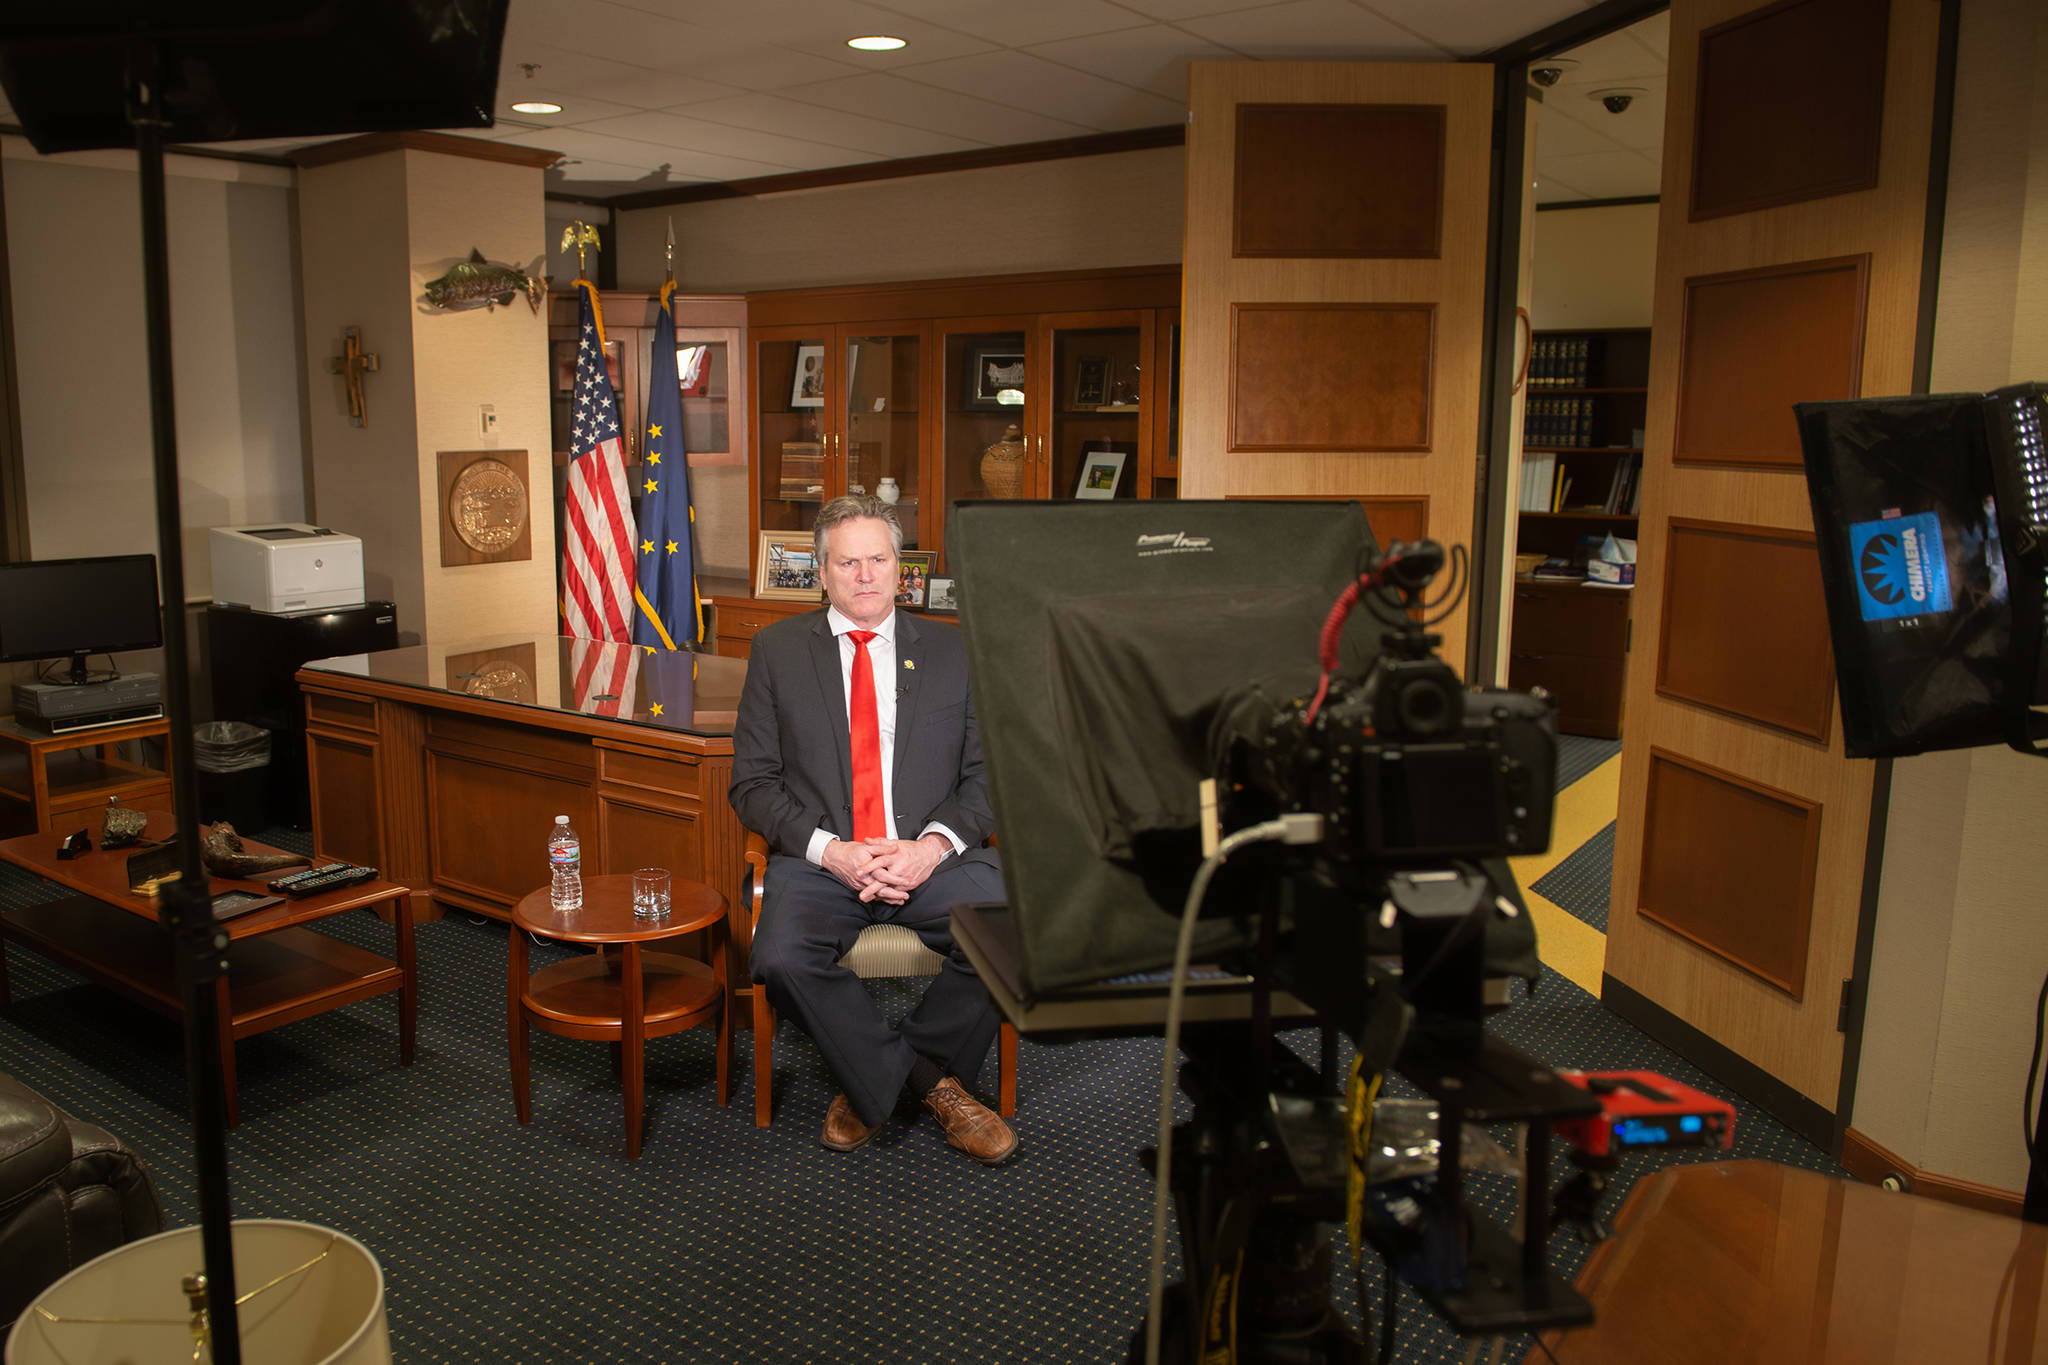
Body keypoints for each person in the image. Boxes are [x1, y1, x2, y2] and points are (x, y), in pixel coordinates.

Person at [729, 494, 1016, 1163]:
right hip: (824, 858)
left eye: (878, 559)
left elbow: (989, 775)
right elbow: (752, 782)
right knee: (777, 953)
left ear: (899, 568)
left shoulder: (953, 649)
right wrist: (832, 851)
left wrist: (931, 846)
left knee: (1016, 925)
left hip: (929, 856)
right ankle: (935, 1088)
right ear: (821, 571)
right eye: (848, 562)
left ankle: (878, 1081)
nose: (865, 575)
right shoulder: (776, 650)